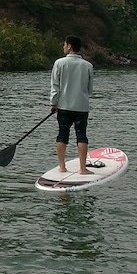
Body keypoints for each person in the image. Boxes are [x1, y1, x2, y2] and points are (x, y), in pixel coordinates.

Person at [50, 35, 93, 174]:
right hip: (81, 106)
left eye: (64, 44)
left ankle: (62, 167)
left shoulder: (59, 63)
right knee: (82, 136)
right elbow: (90, 89)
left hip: (63, 106)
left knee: (62, 135)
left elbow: (55, 86)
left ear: (69, 46)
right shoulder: (88, 65)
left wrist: (53, 103)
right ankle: (82, 168)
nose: (63, 47)